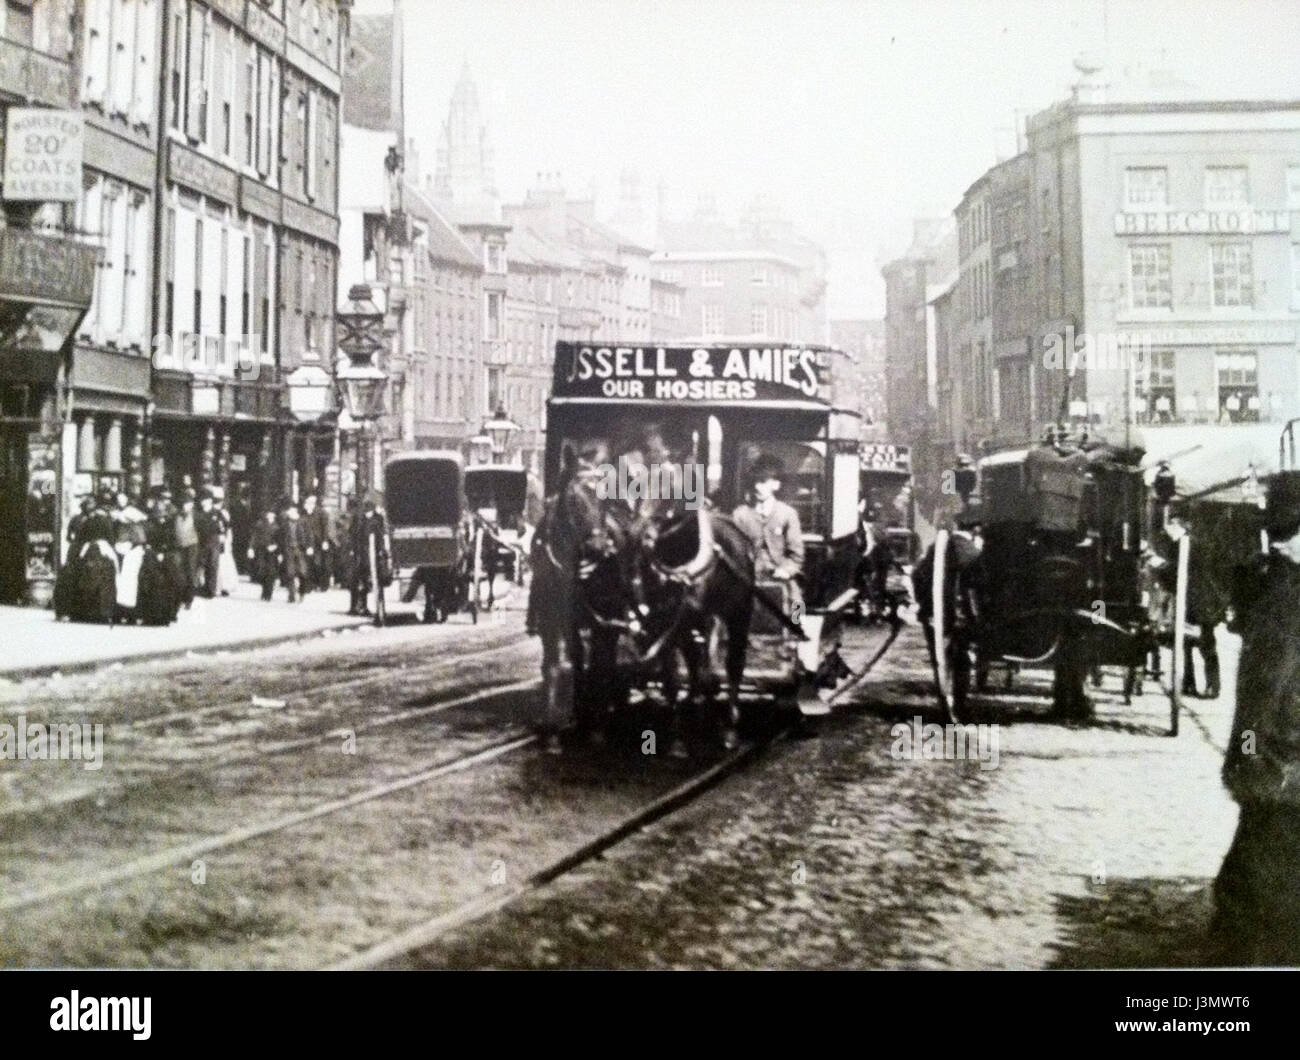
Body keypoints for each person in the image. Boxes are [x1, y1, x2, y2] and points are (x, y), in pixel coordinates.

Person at [1213, 471, 1300, 964]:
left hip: (1280, 766)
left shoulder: (1283, 596)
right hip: (1284, 768)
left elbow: (1260, 698)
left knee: (1252, 889)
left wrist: (1246, 758)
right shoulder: (1284, 594)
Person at [731, 454, 805, 603]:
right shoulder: (740, 515)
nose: (757, 487)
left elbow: (796, 556)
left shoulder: (787, 514)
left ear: (776, 485)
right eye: (755, 482)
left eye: (763, 482)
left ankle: (799, 625)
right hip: (749, 581)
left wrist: (786, 570)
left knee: (797, 606)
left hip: (781, 579)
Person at [348, 493, 391, 616]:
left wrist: (381, 550)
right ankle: (355, 606)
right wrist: (353, 550)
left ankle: (363, 606)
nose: (368, 513)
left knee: (367, 581)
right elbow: (353, 535)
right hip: (360, 554)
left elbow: (381, 536)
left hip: (372, 555)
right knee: (357, 581)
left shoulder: (377, 519)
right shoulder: (359, 519)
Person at [195, 489, 226, 599]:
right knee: (199, 565)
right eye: (202, 500)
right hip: (200, 541)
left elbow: (222, 527)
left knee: (212, 566)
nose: (203, 502)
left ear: (210, 500)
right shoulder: (198, 513)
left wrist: (222, 536)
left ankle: (210, 590)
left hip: (213, 542)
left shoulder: (216, 513)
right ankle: (197, 587)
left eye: (206, 500)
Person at [173, 490, 200, 608]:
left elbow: (202, 531)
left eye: (188, 503)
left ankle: (189, 599)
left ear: (192, 504)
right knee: (179, 571)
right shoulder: (177, 515)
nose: (186, 506)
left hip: (192, 546)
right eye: (184, 503)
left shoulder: (196, 515)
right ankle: (180, 597)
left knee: (190, 571)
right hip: (179, 546)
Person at [302, 494, 334, 592]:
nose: (307, 504)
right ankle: (311, 585)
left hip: (320, 542)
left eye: (309, 502)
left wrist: (325, 541)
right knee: (310, 563)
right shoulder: (305, 513)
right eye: (307, 502)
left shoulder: (321, 513)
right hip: (309, 542)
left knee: (321, 564)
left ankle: (323, 585)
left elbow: (325, 528)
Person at [249, 508, 280, 602]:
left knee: (270, 572)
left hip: (272, 552)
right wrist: (251, 548)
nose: (270, 516)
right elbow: (254, 537)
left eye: (272, 514)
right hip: (261, 550)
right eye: (269, 514)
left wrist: (276, 547)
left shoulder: (278, 527)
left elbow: (281, 540)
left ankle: (268, 594)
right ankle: (264, 589)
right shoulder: (260, 524)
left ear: (274, 515)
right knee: (260, 570)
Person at [230, 482, 254, 577]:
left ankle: (244, 568)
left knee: (244, 549)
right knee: (239, 549)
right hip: (238, 531)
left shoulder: (249, 503)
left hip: (246, 531)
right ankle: (240, 568)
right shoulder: (235, 503)